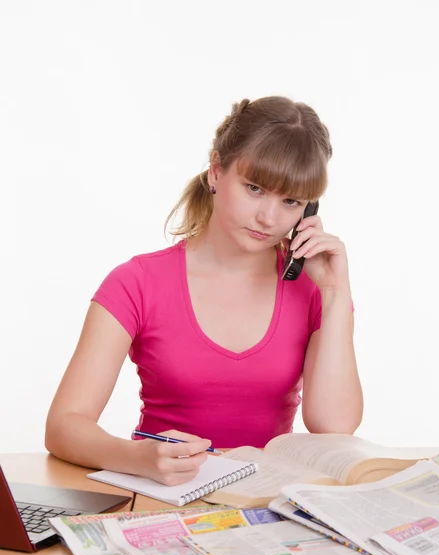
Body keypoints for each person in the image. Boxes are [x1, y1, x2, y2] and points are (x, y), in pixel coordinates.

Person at [45, 96, 363, 486]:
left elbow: (335, 426)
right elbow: (63, 425)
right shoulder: (137, 282)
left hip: (269, 503)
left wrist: (334, 293)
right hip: (163, 497)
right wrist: (138, 458)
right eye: (255, 188)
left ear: (308, 209)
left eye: (291, 201)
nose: (269, 217)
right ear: (215, 172)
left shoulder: (314, 291)